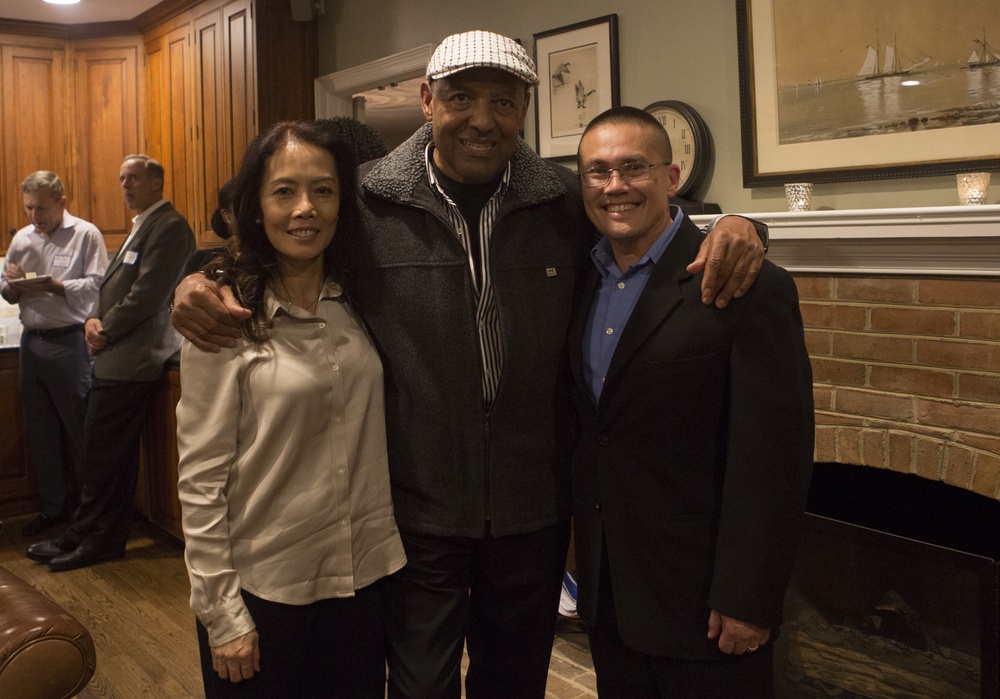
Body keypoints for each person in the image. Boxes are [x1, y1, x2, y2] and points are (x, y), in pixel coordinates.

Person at [171, 31, 766, 698]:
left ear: (525, 110)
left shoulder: (564, 200)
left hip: (533, 514)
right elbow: (283, 237)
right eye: (460, 97)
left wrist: (742, 227)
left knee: (512, 685)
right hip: (415, 518)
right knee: (420, 687)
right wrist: (196, 279)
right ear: (427, 100)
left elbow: (648, 220)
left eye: (503, 101)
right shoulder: (365, 200)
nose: (482, 118)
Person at [570, 106, 815, 698]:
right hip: (610, 600)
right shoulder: (581, 276)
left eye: (634, 167)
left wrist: (749, 599)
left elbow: (774, 460)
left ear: (672, 176)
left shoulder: (743, 284)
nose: (615, 186)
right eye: (597, 171)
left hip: (704, 610)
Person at [176, 121, 406, 697]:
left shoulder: (364, 300)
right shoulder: (224, 316)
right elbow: (200, 480)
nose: (305, 208)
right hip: (265, 591)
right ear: (253, 206)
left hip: (363, 584)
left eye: (323, 190)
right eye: (284, 191)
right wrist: (221, 612)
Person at [26, 154, 195, 572]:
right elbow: (116, 287)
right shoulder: (142, 226)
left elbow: (147, 294)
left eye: (134, 178)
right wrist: (93, 318)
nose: (125, 186)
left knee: (106, 457)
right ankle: (84, 534)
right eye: (121, 179)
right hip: (113, 356)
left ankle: (99, 540)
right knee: (103, 457)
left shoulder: (169, 227)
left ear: (157, 183)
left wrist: (103, 328)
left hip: (131, 359)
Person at [0, 171, 108, 536]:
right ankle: (53, 506)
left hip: (70, 342)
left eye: (41, 207)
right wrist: (13, 284)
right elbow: (7, 291)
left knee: (79, 428)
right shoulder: (22, 239)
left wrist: (53, 286)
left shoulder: (86, 234)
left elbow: (97, 287)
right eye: (29, 207)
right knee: (41, 430)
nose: (34, 215)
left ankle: (88, 511)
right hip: (33, 342)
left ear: (62, 201)